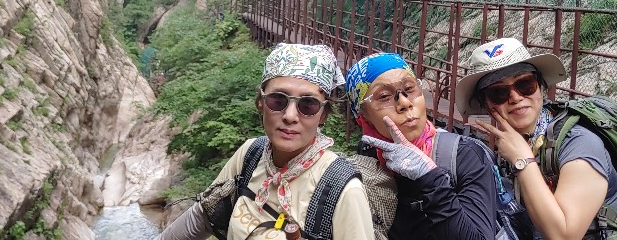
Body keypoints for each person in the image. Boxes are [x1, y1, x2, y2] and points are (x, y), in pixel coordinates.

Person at [157, 43, 374, 240]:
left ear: (323, 114)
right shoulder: (251, 154)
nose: (290, 116)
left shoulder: (343, 189)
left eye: (308, 104)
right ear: (261, 102)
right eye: (278, 99)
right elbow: (201, 218)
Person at [456, 37, 617, 239]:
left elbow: (563, 236)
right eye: (499, 93)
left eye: (525, 84)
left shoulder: (579, 143)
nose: (515, 97)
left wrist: (522, 161)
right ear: (487, 104)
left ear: (541, 87)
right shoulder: (514, 142)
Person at [345, 52, 497, 240]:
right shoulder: (368, 156)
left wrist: (429, 178)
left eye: (409, 89)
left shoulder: (463, 156)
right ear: (363, 116)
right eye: (384, 96)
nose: (404, 103)